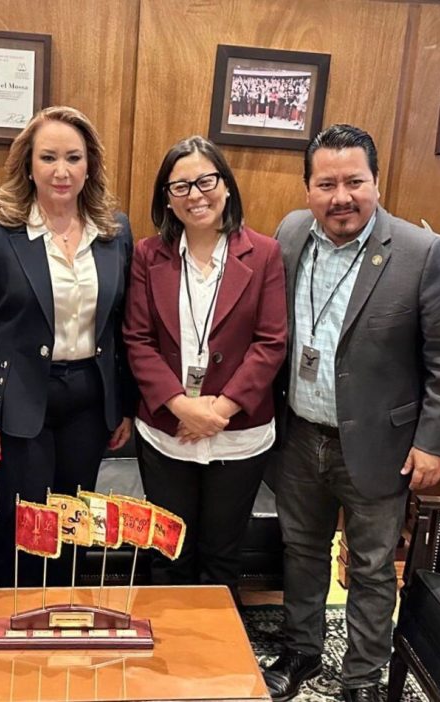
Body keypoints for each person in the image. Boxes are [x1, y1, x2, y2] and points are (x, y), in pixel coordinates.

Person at [265, 124, 440, 702]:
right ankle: (302, 651)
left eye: (354, 181)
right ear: (307, 188)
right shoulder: (288, 233)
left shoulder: (420, 253)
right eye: (326, 183)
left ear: (376, 183)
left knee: (374, 566)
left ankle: (360, 678)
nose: (341, 197)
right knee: (301, 551)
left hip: (382, 443)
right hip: (301, 435)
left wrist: (434, 441)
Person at [0, 105, 135, 586]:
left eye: (73, 158)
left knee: (75, 524)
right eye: (49, 157)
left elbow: (122, 325)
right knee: (25, 527)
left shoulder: (113, 230)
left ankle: (67, 622)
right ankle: (18, 626)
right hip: (20, 401)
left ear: (89, 164)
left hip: (89, 402)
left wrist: (124, 406)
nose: (61, 171)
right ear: (29, 165)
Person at [123, 136, 287, 599]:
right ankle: (167, 655)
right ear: (167, 201)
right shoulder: (146, 255)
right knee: (168, 549)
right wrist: (182, 407)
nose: (196, 195)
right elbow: (137, 339)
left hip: (238, 433)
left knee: (222, 554)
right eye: (180, 187)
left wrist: (221, 409)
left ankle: (215, 660)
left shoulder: (265, 253)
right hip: (166, 431)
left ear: (226, 187)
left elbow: (270, 342)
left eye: (205, 181)